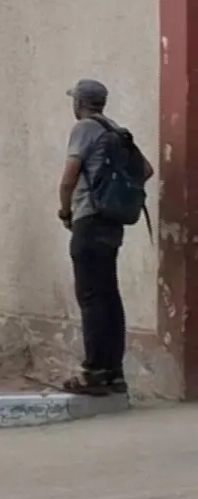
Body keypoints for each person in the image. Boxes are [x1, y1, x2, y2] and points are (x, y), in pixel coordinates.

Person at [58, 79, 152, 396]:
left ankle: (94, 371)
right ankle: (114, 372)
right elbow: (147, 169)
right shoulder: (116, 131)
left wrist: (64, 210)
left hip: (89, 218)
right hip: (113, 223)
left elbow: (69, 177)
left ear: (80, 102)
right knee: (109, 295)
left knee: (91, 296)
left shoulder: (84, 128)